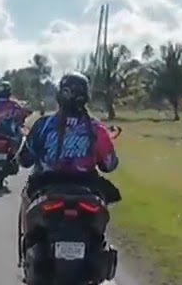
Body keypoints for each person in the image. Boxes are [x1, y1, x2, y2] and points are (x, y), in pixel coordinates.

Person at [16, 72, 119, 258]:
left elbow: (25, 159)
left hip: (46, 184)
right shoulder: (97, 128)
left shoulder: (43, 125)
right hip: (86, 186)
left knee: (26, 197)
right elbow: (109, 164)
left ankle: (27, 249)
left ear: (60, 95)